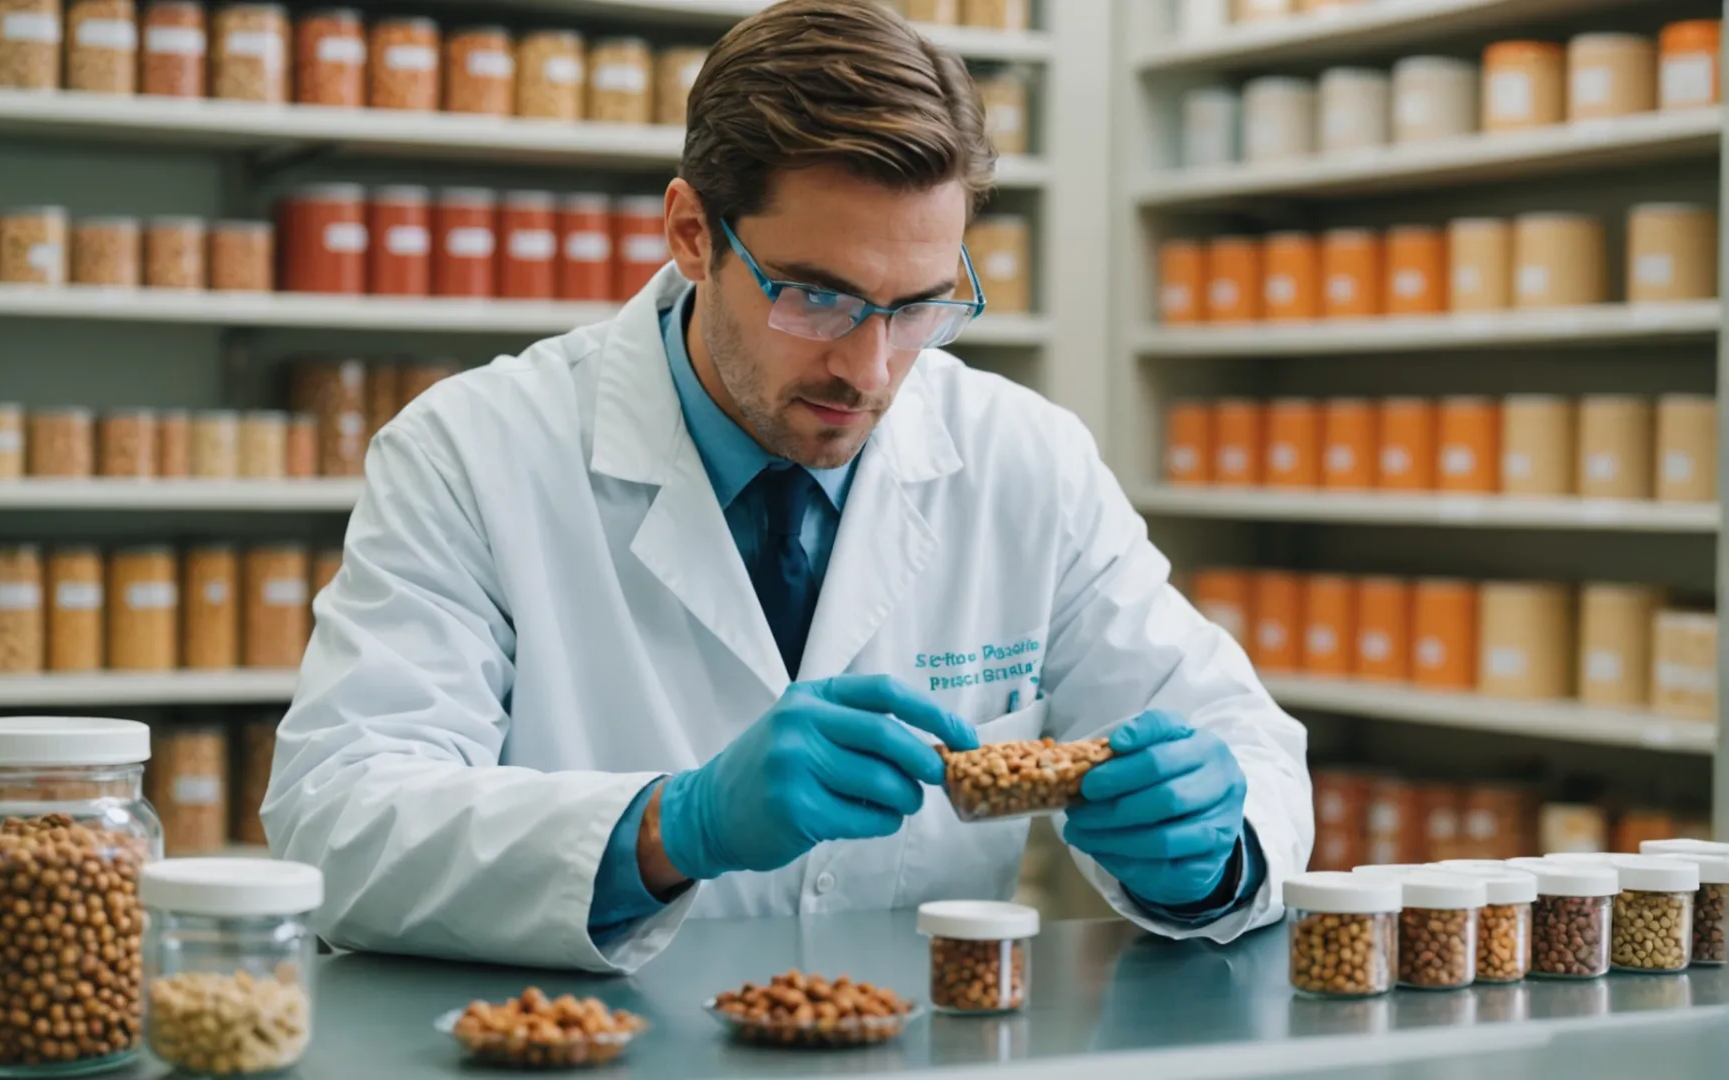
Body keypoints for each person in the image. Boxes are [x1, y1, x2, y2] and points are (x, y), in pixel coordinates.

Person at [264, 0, 1310, 973]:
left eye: (919, 306)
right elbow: (340, 822)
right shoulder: (471, 452)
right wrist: (673, 825)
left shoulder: (1022, 457)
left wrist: (1212, 851)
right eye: (817, 297)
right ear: (690, 234)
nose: (871, 370)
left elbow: (1239, 741)